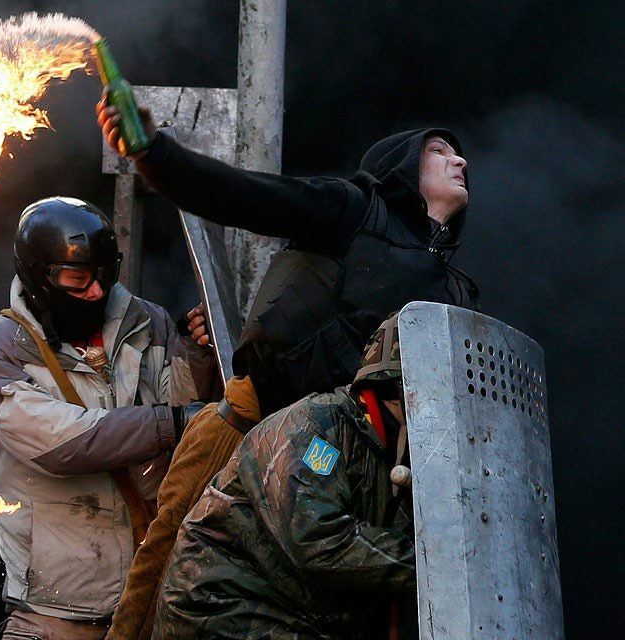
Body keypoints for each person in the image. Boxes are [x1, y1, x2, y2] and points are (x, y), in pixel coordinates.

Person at [96, 100, 479, 639]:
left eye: (457, 154)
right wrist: (157, 155)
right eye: (438, 151)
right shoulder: (354, 211)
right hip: (248, 428)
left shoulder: (452, 289)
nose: (459, 161)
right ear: (400, 164)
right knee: (164, 576)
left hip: (353, 470)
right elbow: (243, 195)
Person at [0, 196, 218, 639]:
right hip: (55, 616)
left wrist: (197, 354)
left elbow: (189, 433)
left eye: (103, 275)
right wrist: (177, 421)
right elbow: (65, 444)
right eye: (77, 279)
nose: (96, 292)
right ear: (39, 279)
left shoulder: (148, 322)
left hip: (155, 604)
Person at [154, 313, 418, 639]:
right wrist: (429, 563)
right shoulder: (319, 425)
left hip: (291, 616)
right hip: (223, 609)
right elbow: (317, 541)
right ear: (399, 388)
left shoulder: (394, 447)